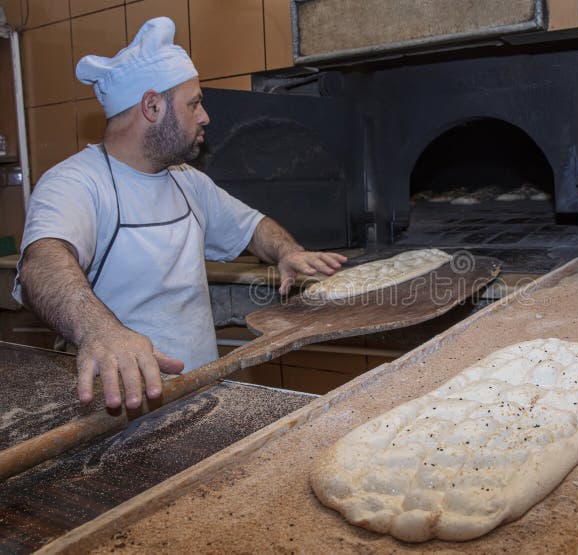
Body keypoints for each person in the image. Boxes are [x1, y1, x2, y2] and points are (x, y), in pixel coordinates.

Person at [12, 17, 346, 411]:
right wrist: (100, 330)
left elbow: (252, 225)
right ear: (152, 106)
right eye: (194, 103)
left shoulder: (188, 182)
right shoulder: (77, 182)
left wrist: (286, 251)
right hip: (119, 410)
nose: (204, 116)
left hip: (199, 395)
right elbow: (41, 263)